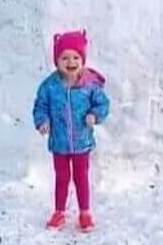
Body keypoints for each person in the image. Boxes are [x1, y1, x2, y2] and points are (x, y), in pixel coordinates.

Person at [32, 29, 110, 232]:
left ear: (82, 60)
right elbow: (40, 106)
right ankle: (59, 212)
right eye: (64, 57)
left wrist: (95, 115)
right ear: (57, 61)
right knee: (62, 178)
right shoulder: (49, 86)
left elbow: (102, 104)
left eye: (76, 57)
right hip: (59, 143)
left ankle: (85, 212)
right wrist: (42, 121)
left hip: (82, 142)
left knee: (81, 178)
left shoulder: (89, 85)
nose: (71, 62)